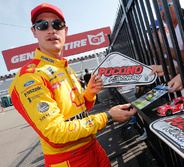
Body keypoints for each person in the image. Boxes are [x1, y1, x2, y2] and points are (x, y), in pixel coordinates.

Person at [8, 3, 137, 167]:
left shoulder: (63, 66)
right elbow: (56, 132)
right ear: (34, 31)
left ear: (65, 30)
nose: (51, 30)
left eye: (57, 24)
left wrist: (89, 94)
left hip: (93, 148)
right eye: (42, 25)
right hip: (68, 160)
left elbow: (77, 112)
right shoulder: (30, 76)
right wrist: (108, 116)